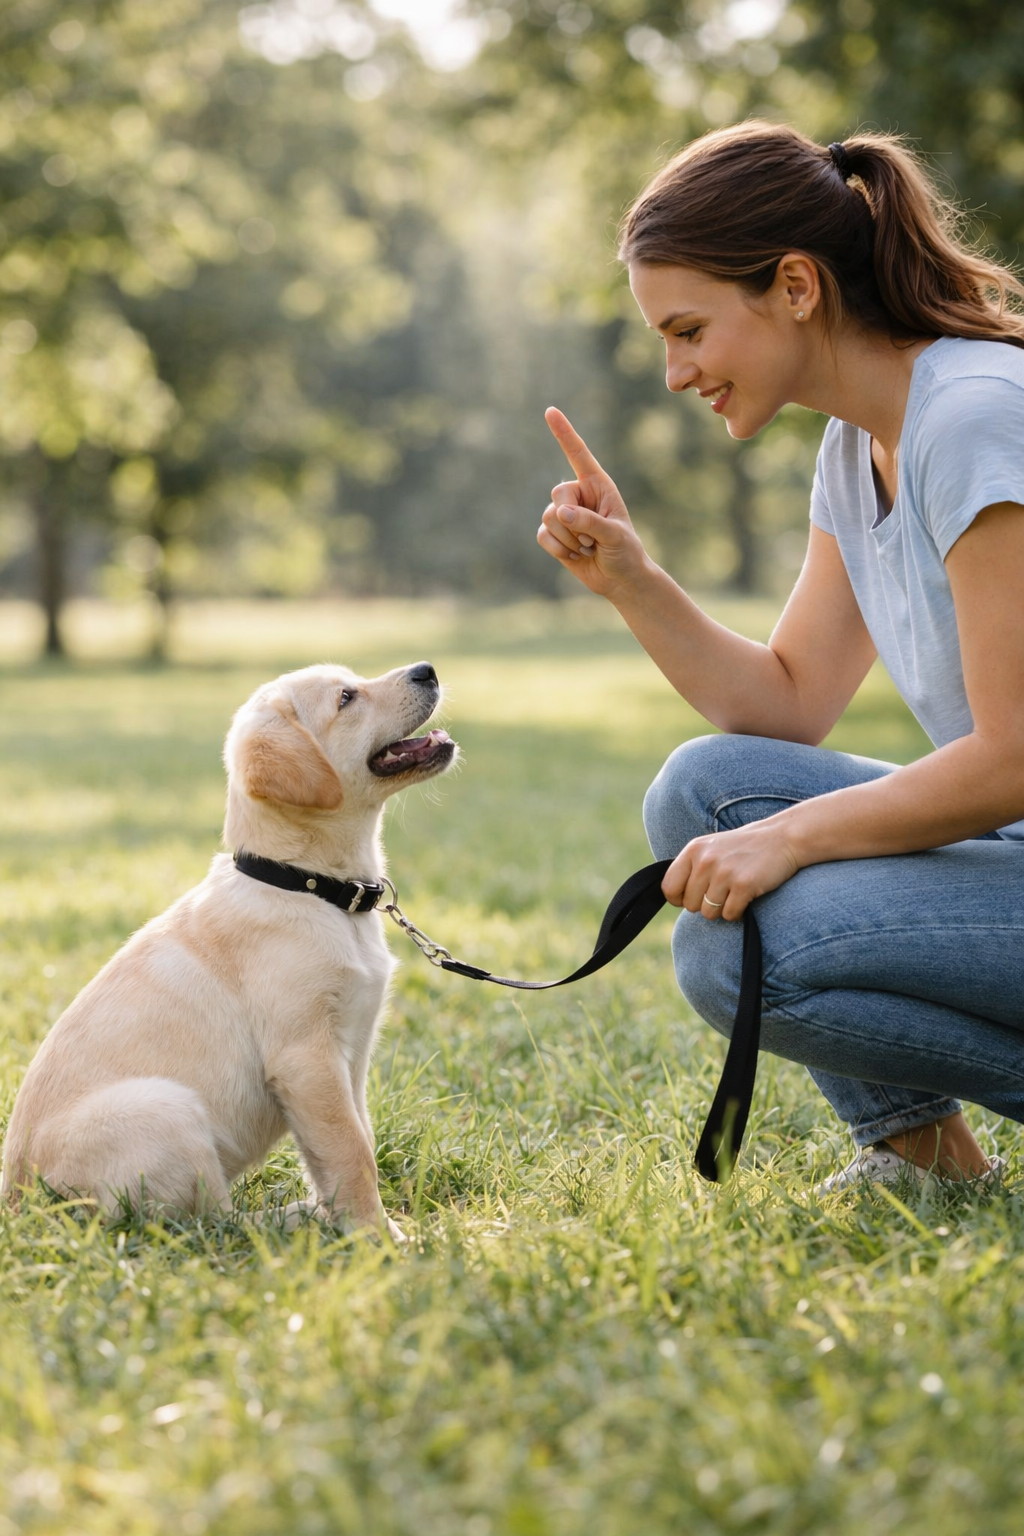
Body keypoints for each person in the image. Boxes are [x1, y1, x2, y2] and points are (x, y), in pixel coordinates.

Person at [537, 121, 1024, 1192]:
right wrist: (632, 579)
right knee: (707, 790)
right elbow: (790, 705)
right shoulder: (859, 443)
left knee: (738, 952)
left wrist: (790, 843)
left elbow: (1013, 757)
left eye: (688, 329)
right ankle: (925, 1161)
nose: (674, 373)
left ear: (795, 286)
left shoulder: (974, 420)